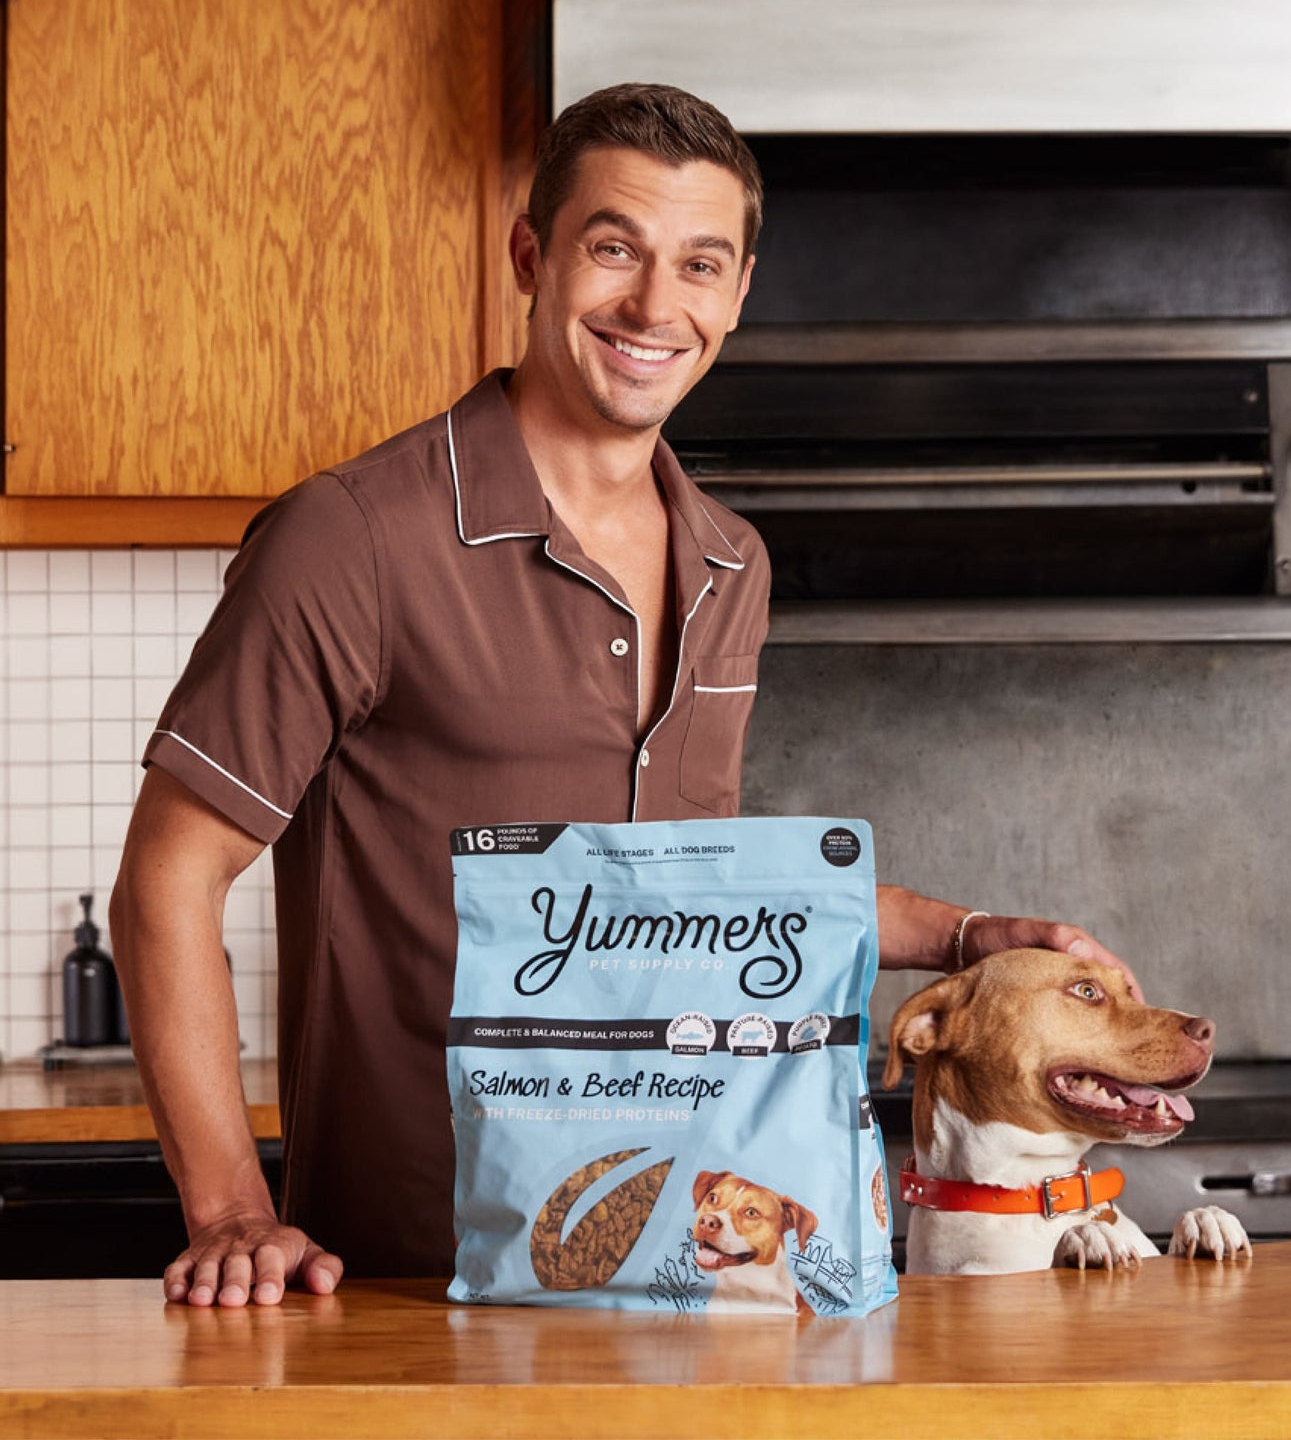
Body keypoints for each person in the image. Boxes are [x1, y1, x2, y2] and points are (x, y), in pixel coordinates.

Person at [110, 83, 1136, 1309]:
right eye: (614, 249)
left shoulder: (727, 559)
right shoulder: (354, 538)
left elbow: (686, 884)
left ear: (737, 293)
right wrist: (232, 1209)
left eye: (699, 264)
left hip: (682, 1268)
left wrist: (965, 937)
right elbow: (168, 874)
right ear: (531, 256)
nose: (656, 306)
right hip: (404, 1275)